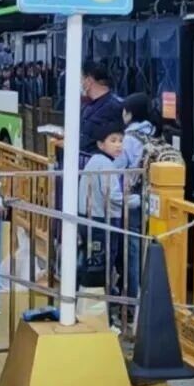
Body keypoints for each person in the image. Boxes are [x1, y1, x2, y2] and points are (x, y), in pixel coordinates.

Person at [115, 92, 154, 301]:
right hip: (152, 198)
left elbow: (117, 167)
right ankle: (150, 289)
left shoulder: (129, 139)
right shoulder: (155, 132)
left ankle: (134, 297)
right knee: (149, 245)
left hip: (133, 199)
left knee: (132, 248)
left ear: (130, 113)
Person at [79, 121, 125, 299]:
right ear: (100, 144)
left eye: (121, 140)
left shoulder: (94, 161)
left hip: (87, 218)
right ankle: (101, 305)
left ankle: (89, 302)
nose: (118, 145)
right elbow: (113, 196)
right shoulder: (106, 164)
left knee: (90, 264)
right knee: (103, 265)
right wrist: (136, 200)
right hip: (103, 221)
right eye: (113, 140)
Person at [79, 61, 122, 161]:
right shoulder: (87, 106)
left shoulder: (115, 107)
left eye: (81, 79)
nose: (80, 83)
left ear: (88, 81)